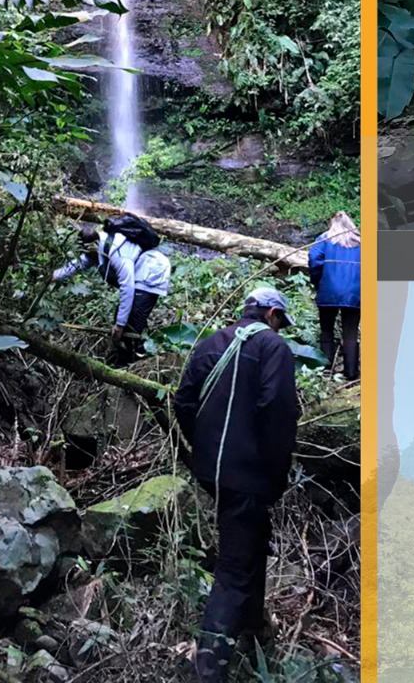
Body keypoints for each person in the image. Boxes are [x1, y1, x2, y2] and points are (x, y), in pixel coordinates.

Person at [173, 288, 300, 683]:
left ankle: (251, 632)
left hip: (215, 472)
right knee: (234, 567)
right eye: (281, 321)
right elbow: (276, 412)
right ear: (273, 314)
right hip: (249, 474)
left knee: (252, 540)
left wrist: (206, 453)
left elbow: (183, 402)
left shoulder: (213, 342)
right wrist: (275, 476)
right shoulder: (272, 348)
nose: (280, 328)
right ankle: (209, 667)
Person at [52, 214, 171, 363]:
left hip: (151, 272)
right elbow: (77, 265)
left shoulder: (118, 253)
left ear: (94, 246)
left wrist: (120, 325)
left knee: (131, 324)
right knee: (124, 319)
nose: (86, 255)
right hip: (141, 273)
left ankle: (131, 364)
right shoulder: (95, 250)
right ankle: (128, 355)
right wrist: (53, 276)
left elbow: (127, 287)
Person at [308, 211, 361, 381]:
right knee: (350, 333)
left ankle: (325, 371)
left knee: (326, 331)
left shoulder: (324, 239)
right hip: (354, 293)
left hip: (328, 292)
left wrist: (318, 282)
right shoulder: (362, 242)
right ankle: (351, 373)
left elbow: (313, 258)